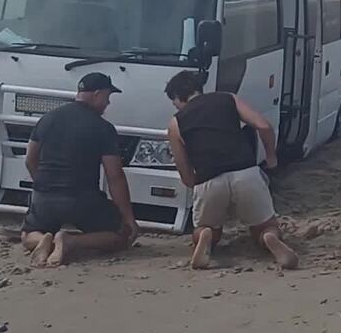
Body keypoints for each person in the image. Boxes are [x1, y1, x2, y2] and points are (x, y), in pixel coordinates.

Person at [164, 70, 298, 271]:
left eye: (174, 102)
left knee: (206, 228)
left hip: (209, 179)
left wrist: (198, 187)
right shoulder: (228, 99)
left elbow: (185, 173)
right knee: (264, 225)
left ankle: (205, 237)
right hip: (245, 172)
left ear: (178, 97)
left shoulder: (175, 123)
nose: (175, 106)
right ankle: (269, 238)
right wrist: (271, 157)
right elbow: (264, 126)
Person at [21, 72, 138, 267]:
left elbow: (30, 159)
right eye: (107, 97)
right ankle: (70, 241)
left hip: (45, 198)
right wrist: (128, 218)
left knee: (26, 235)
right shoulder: (103, 128)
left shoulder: (48, 119)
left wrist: (43, 185)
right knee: (119, 237)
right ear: (97, 94)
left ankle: (41, 240)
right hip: (82, 199)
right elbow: (114, 175)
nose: (108, 104)